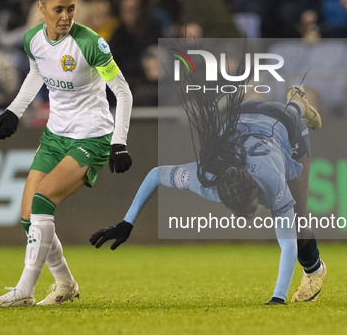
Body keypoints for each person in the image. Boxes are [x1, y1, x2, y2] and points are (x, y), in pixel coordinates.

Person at [91, 84, 327, 305]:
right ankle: (256, 94)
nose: (249, 215)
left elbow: (287, 244)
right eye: (242, 211)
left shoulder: (271, 179)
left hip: (285, 123)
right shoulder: (206, 178)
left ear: (256, 189)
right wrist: (127, 222)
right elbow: (155, 175)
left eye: (251, 207)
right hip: (241, 113)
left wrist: (278, 298)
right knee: (250, 108)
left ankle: (296, 103)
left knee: (297, 222)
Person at [0, 0, 133, 307]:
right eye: (58, 10)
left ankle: (24, 291)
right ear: (41, 10)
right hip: (55, 136)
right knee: (28, 219)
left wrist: (119, 142)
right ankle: (65, 283)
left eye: (71, 9)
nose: (66, 16)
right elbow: (38, 73)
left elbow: (123, 92)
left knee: (42, 202)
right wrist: (14, 111)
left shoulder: (92, 43)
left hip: (91, 138)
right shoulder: (32, 40)